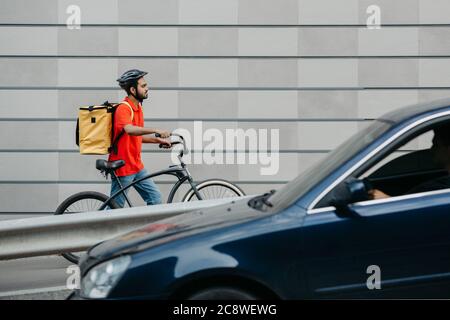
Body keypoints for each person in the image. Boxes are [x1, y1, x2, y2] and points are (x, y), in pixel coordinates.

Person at [108, 69, 172, 207]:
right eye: (143, 86)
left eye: (146, 85)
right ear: (132, 89)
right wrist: (156, 130)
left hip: (136, 166)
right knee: (114, 208)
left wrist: (157, 140)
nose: (147, 88)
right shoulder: (123, 109)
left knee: (155, 198)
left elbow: (136, 136)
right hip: (123, 167)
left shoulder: (138, 108)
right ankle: (96, 227)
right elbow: (129, 130)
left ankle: (151, 229)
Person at [369, 122, 450, 200]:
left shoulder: (442, 187)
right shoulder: (440, 183)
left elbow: (425, 210)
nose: (431, 150)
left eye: (436, 145)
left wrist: (387, 200)